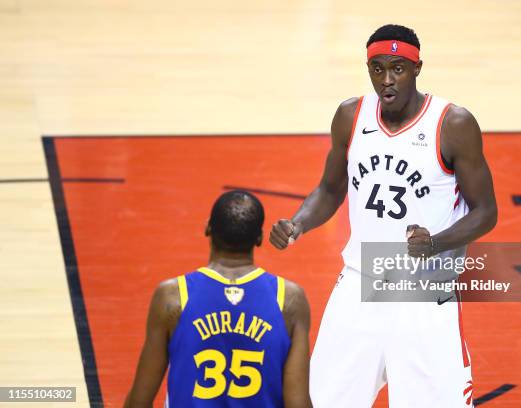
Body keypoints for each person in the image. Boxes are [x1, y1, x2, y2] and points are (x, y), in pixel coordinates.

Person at [270, 24, 497, 407]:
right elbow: (329, 188)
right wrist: (298, 223)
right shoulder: (350, 115)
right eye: (377, 69)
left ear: (417, 68)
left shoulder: (453, 123)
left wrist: (437, 243)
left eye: (398, 68)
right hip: (361, 284)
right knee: (320, 400)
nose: (386, 80)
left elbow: (486, 212)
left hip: (424, 291)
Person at [125, 190, 312, 408]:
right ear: (259, 238)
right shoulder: (289, 299)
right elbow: (297, 403)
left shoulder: (173, 296)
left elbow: (139, 402)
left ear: (208, 228)